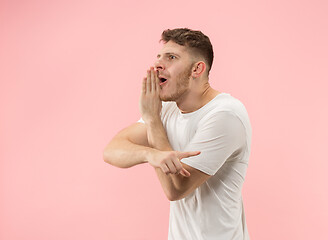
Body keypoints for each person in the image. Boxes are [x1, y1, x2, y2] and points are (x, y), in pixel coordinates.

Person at [103, 28, 252, 240]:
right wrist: (150, 154)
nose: (158, 65)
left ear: (197, 69)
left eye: (171, 57)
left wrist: (153, 122)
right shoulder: (167, 110)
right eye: (158, 57)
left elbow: (177, 189)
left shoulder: (225, 115)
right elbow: (112, 150)